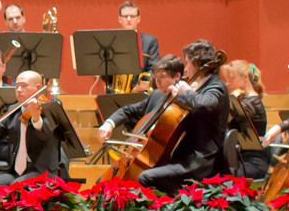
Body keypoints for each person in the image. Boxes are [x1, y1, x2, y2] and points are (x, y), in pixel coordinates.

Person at [97, 40, 231, 193]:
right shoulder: (198, 87)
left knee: (145, 177)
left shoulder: (216, 86)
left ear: (198, 62)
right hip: (182, 156)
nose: (186, 69)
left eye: (187, 63)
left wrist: (185, 93)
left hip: (198, 163)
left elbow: (205, 104)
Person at [0, 71, 81, 186]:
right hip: (16, 171)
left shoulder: (49, 107)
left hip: (42, 170)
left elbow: (46, 135)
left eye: (24, 86)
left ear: (38, 87)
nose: (19, 90)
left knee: (16, 186)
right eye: (17, 86)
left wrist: (36, 118)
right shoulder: (14, 109)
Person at [117, 1, 162, 78]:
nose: (128, 19)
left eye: (132, 16)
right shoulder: (112, 42)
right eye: (125, 16)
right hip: (116, 88)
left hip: (141, 88)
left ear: (138, 19)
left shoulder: (150, 41)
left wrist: (140, 84)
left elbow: (154, 69)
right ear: (120, 19)